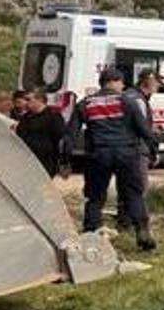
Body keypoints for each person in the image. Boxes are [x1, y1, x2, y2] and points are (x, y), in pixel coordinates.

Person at [66, 68, 158, 251]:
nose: (123, 86)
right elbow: (144, 130)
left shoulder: (85, 104)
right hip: (127, 153)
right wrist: (153, 151)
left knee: (95, 197)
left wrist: (64, 159)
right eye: (121, 82)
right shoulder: (127, 101)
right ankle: (142, 232)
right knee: (133, 194)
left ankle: (91, 232)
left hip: (98, 154)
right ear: (114, 81)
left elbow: (70, 135)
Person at [118, 69, 161, 231]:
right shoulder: (138, 99)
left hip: (122, 147)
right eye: (157, 82)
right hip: (137, 150)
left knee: (124, 186)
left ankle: (124, 222)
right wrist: (153, 150)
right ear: (148, 81)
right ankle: (140, 226)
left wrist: (151, 127)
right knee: (139, 188)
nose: (158, 86)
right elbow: (141, 129)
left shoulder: (128, 95)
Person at [15, 89, 66, 177]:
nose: (26, 103)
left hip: (46, 161)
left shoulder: (53, 116)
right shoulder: (26, 117)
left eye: (28, 99)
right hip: (27, 159)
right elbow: (20, 134)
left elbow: (58, 136)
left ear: (39, 100)